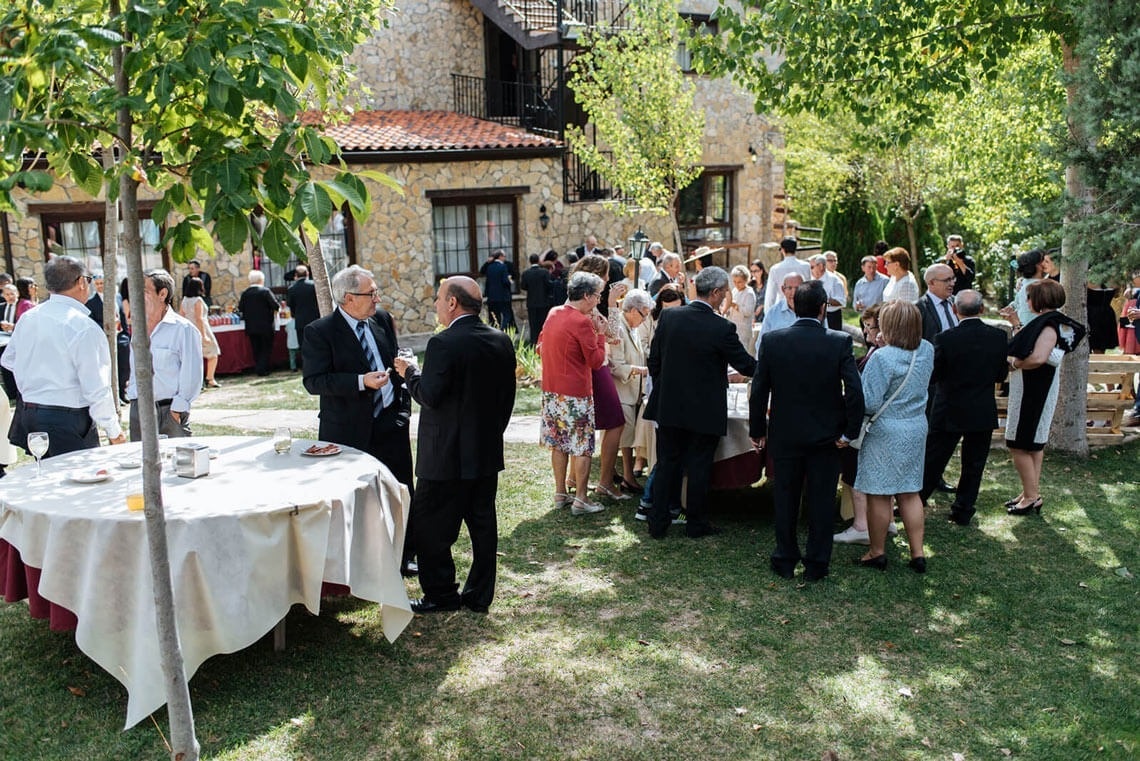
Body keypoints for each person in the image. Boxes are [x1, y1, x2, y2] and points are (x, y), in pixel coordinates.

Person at [393, 276, 516, 614]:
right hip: (484, 453)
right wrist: (491, 435)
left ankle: (441, 594)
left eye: (438, 298)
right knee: (483, 527)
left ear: (452, 303)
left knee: (430, 526)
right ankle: (478, 596)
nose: (435, 304)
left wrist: (409, 372)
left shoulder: (442, 343)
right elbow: (507, 399)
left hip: (443, 456)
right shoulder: (501, 340)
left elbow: (428, 395)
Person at [751, 280, 864, 580]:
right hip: (827, 436)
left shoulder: (773, 341)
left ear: (794, 306)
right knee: (822, 500)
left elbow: (759, 390)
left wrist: (756, 429)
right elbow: (854, 390)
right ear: (823, 308)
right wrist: (849, 432)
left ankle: (785, 557)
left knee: (785, 497)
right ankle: (817, 563)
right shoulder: (839, 341)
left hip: (785, 433)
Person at [645, 266, 757, 539]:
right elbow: (746, 364)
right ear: (716, 292)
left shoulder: (670, 318)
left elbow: (654, 361)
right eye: (725, 292)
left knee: (667, 463)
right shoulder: (721, 327)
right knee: (699, 466)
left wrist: (669, 385)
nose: (726, 297)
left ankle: (657, 523)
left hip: (670, 404)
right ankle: (695, 523)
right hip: (705, 408)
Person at [302, 264, 414, 489]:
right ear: (349, 298)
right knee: (356, 500)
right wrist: (362, 381)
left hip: (392, 427)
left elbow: (393, 361)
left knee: (401, 494)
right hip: (349, 431)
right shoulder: (320, 331)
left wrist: (402, 411)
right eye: (371, 293)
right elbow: (314, 381)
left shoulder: (381, 319)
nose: (378, 299)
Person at [1, 256, 127, 455]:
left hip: (31, 412)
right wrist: (114, 431)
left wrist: (38, 376)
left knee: (49, 479)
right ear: (80, 282)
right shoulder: (83, 327)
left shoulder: (28, 317)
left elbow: (8, 360)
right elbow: (96, 387)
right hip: (66, 418)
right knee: (78, 481)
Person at [853, 300, 934, 573]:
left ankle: (877, 551)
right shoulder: (927, 350)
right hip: (915, 425)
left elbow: (870, 402)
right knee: (910, 491)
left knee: (879, 492)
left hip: (886, 429)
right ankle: (918, 553)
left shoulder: (882, 357)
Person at [919, 290, 1009, 526]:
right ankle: (963, 509)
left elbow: (934, 375)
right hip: (981, 407)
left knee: (934, 458)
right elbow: (1001, 373)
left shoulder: (945, 338)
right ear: (982, 310)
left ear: (955, 310)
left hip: (949, 406)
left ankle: (916, 501)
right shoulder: (998, 337)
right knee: (974, 463)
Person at [1003, 279, 1086, 516]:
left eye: (1029, 297)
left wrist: (1015, 363)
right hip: (1036, 387)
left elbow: (1038, 358)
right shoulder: (1053, 322)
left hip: (1035, 389)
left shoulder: (1050, 326)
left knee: (1018, 444)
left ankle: (1031, 496)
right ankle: (1030, 492)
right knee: (1034, 444)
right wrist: (1016, 324)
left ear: (1039, 300)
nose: (1026, 301)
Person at [536, 271, 609, 515]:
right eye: (598, 295)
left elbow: (540, 347)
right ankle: (581, 499)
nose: (599, 300)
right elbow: (597, 361)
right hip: (576, 393)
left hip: (551, 391)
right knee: (582, 447)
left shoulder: (553, 312)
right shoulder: (582, 322)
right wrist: (600, 335)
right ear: (586, 295)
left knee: (558, 443)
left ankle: (560, 493)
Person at [833, 304, 900, 545]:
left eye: (870, 327)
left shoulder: (880, 355)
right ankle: (887, 520)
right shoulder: (890, 352)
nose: (867, 332)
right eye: (866, 326)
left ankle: (861, 524)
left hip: (868, 424)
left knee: (854, 472)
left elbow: (867, 396)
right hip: (888, 425)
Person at [571, 254, 629, 500]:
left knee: (585, 424)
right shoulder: (590, 306)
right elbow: (613, 334)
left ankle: (574, 478)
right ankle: (604, 481)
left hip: (583, 365)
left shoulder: (581, 301)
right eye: (606, 274)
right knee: (615, 421)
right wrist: (614, 304)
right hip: (594, 365)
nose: (609, 278)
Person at [126, 269, 203, 439]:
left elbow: (192, 375)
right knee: (140, 463)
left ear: (162, 294)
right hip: (138, 411)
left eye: (144, 291)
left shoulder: (184, 329)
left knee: (178, 464)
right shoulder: (138, 328)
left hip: (168, 412)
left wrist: (176, 411)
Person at [609, 289, 653, 492]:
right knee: (624, 438)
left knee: (628, 437)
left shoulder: (631, 326)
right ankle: (623, 477)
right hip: (620, 392)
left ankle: (624, 476)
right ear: (634, 310)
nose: (645, 320)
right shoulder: (617, 326)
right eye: (644, 314)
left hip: (632, 392)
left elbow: (641, 352)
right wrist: (640, 370)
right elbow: (616, 365)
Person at [180, 277, 221, 388]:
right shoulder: (198, 300)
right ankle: (210, 378)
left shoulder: (184, 300)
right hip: (201, 329)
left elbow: (181, 316)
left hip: (189, 330)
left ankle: (197, 381)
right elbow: (199, 318)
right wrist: (204, 335)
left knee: (194, 357)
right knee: (213, 352)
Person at [237, 270, 280, 376]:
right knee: (266, 348)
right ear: (261, 280)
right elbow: (276, 306)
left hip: (251, 326)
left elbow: (240, 308)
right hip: (266, 325)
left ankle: (259, 367)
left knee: (256, 348)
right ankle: (262, 369)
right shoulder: (265, 291)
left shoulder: (245, 293)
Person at [1000, 249, 1051, 330]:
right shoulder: (1041, 285)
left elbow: (1018, 302)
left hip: (1021, 325)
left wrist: (1011, 306)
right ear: (1038, 265)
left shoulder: (1024, 282)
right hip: (1035, 328)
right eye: (1044, 260)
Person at [755, 272, 804, 350]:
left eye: (798, 288)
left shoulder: (813, 310)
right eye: (790, 288)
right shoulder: (773, 313)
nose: (794, 293)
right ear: (783, 289)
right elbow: (761, 343)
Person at [764, 237, 811, 313]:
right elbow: (809, 289)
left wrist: (768, 313)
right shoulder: (806, 266)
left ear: (782, 250)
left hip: (783, 308)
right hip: (802, 308)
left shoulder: (775, 269)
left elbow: (771, 295)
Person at [286, 264, 321, 360]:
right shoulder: (314, 286)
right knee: (318, 345)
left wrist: (294, 314)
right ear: (307, 273)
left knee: (303, 346)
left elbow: (290, 305)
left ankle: (306, 366)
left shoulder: (291, 289)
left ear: (296, 275)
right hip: (316, 320)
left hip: (300, 321)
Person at [916, 263, 958, 344]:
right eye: (947, 280)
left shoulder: (957, 302)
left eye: (953, 279)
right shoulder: (919, 308)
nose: (952, 283)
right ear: (931, 283)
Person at [723, 265, 757, 356]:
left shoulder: (749, 293)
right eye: (734, 282)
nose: (737, 284)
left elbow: (748, 311)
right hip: (734, 326)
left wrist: (735, 305)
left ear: (746, 280)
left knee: (742, 352)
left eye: (740, 282)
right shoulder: (735, 291)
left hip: (743, 329)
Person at [519, 253, 553, 346]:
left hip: (532, 302)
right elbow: (549, 285)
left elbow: (523, 286)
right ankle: (543, 340)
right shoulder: (544, 272)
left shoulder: (526, 273)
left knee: (533, 323)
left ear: (530, 261)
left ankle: (533, 341)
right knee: (543, 323)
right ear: (538, 261)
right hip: (543, 302)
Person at [809, 254, 846, 331]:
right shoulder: (810, 279)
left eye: (812, 267)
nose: (810, 270)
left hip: (831, 317)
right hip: (814, 316)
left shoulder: (835, 280)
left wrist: (825, 301)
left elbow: (841, 301)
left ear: (821, 266)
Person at [483, 250, 514, 330]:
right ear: (500, 256)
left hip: (492, 296)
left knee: (494, 317)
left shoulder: (489, 267)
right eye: (504, 256)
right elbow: (505, 281)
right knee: (507, 315)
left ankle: (495, 331)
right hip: (503, 296)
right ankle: (503, 330)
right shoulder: (503, 266)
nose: (505, 258)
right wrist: (510, 281)